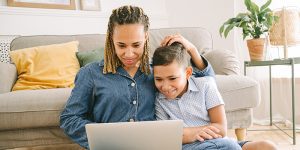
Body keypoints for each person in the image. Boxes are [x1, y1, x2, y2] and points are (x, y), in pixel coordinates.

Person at [60, 5, 214, 149]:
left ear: (146, 37)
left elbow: (206, 84)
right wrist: (103, 139)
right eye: (121, 45)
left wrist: (192, 50)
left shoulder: (158, 70)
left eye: (136, 45)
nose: (129, 54)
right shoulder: (91, 73)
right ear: (111, 39)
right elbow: (70, 118)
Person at [152, 41, 278, 150]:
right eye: (158, 79)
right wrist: (194, 133)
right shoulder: (159, 100)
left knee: (267, 146)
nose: (165, 86)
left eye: (172, 78)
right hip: (188, 146)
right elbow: (166, 138)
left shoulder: (206, 85)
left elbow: (221, 129)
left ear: (188, 73)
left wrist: (184, 133)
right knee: (230, 147)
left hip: (219, 142)